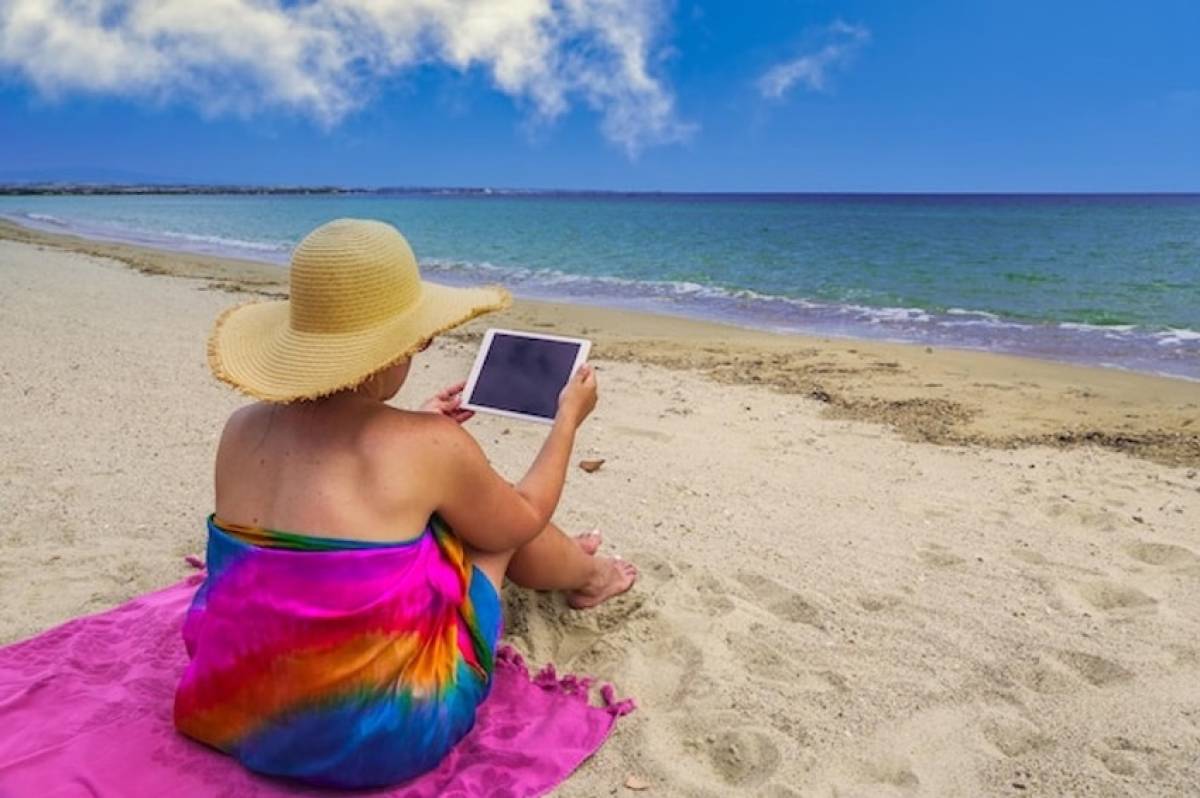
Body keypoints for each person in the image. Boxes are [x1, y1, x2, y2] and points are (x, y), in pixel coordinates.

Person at [173, 218, 637, 789]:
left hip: (230, 702)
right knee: (495, 526)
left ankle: (581, 565)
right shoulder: (427, 448)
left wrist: (415, 428)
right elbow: (522, 518)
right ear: (401, 345)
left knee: (446, 508)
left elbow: (331, 492)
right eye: (419, 339)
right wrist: (567, 422)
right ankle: (589, 576)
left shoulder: (241, 427)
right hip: (372, 738)